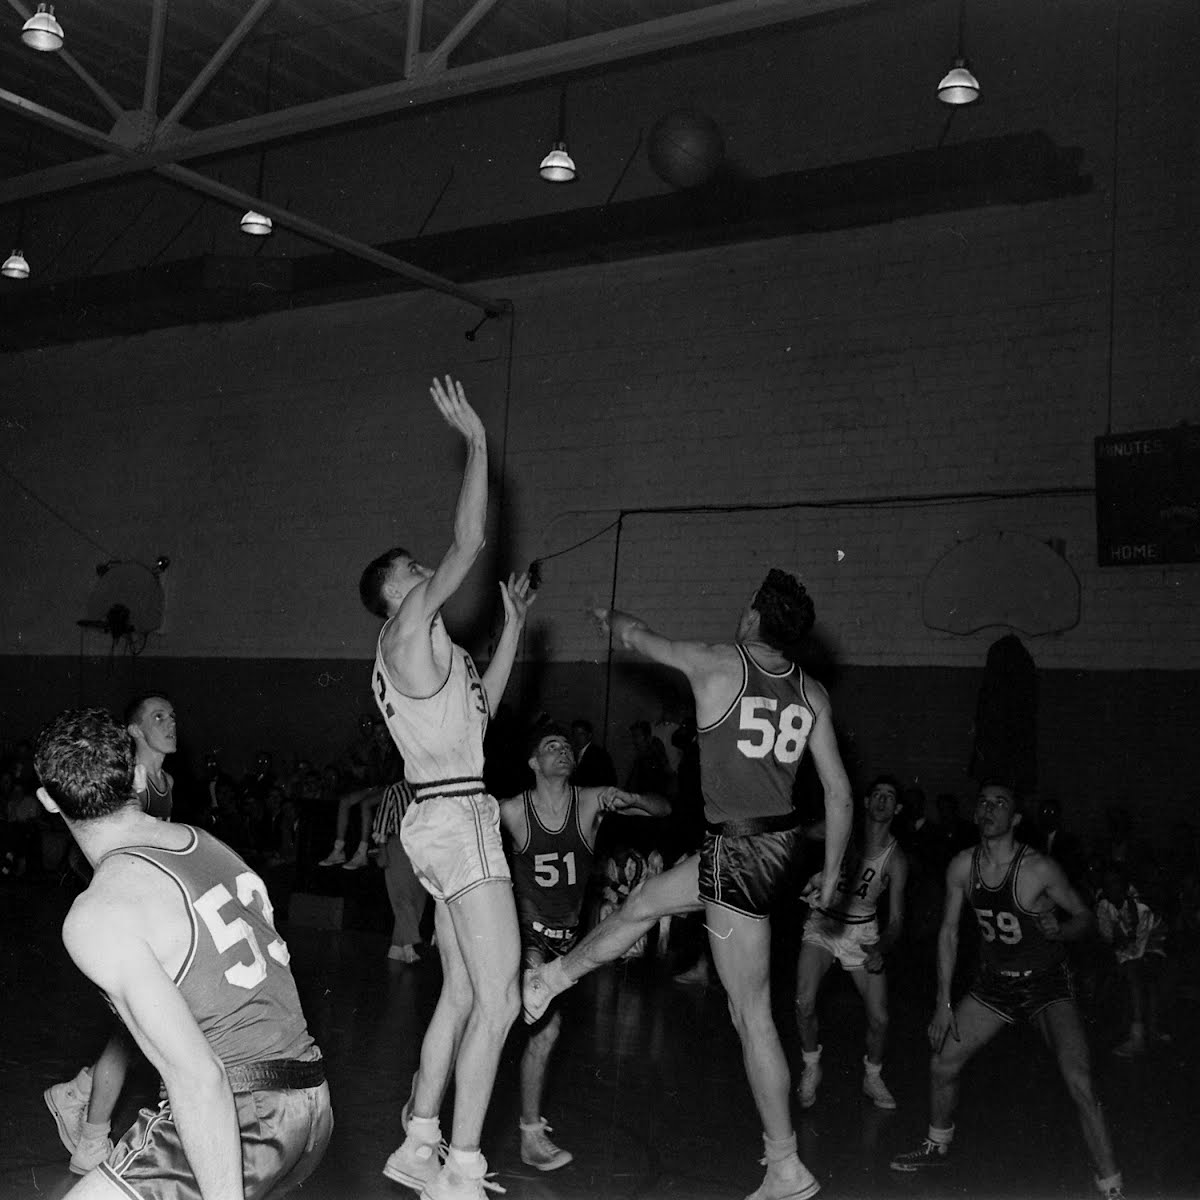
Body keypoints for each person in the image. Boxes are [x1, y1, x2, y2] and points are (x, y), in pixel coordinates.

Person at [522, 567, 853, 1200]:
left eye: (747, 603)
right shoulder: (811, 693)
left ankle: (785, 1166)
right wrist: (832, 876)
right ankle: (550, 980)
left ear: (755, 617)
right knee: (645, 901)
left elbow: (640, 636)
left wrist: (611, 622)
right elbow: (838, 793)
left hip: (738, 852)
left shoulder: (716, 664)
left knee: (750, 1013)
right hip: (772, 846)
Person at [34, 706, 331, 1199]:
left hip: (246, 1112)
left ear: (47, 800)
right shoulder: (205, 843)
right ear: (135, 775)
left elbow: (198, 1076)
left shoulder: (97, 913)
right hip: (312, 1103)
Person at [359, 374, 535, 1200]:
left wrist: (515, 633)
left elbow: (484, 711)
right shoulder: (404, 630)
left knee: (464, 991)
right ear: (397, 589)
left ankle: (418, 1142)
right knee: (502, 998)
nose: (433, 571)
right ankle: (461, 1171)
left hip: (446, 810)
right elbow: (465, 546)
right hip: (458, 821)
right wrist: (478, 448)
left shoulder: (433, 662)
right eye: (418, 569)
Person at [889, 781, 1124, 1200]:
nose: (988, 809)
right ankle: (937, 1143)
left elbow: (1084, 917)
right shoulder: (962, 866)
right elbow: (947, 933)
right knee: (943, 1063)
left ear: (1015, 818)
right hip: (994, 985)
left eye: (1000, 803)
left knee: (1079, 1080)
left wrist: (1064, 929)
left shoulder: (1038, 868)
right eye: (982, 802)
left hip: (1046, 983)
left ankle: (1110, 1184)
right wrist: (943, 1004)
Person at [500, 722, 669, 1171]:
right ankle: (529, 1135)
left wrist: (632, 799)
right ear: (533, 763)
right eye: (550, 746)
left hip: (568, 940)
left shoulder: (593, 800)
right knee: (540, 1028)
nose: (562, 751)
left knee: (531, 1031)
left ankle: (440, 1091)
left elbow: (663, 809)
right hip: (522, 930)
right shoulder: (515, 810)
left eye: (567, 747)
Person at [46, 692, 179, 1173]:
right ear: (135, 732)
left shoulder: (165, 782)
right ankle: (92, 1137)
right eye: (157, 717)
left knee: (138, 1029)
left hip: (150, 912)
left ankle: (81, 1096)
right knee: (139, 1027)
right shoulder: (129, 787)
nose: (170, 723)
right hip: (124, 916)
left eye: (172, 715)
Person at [795, 774, 908, 1111]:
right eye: (877, 794)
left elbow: (898, 921)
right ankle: (811, 1066)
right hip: (826, 923)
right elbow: (803, 834)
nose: (882, 800)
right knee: (803, 1001)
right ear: (866, 801)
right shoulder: (843, 829)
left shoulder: (895, 859)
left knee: (880, 1019)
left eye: (890, 796)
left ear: (898, 808)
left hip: (863, 932)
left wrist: (881, 948)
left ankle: (872, 1076)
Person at [568, 719, 616, 787]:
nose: (577, 737)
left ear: (589, 735)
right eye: (574, 734)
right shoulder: (574, 753)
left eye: (581, 734)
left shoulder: (598, 755)